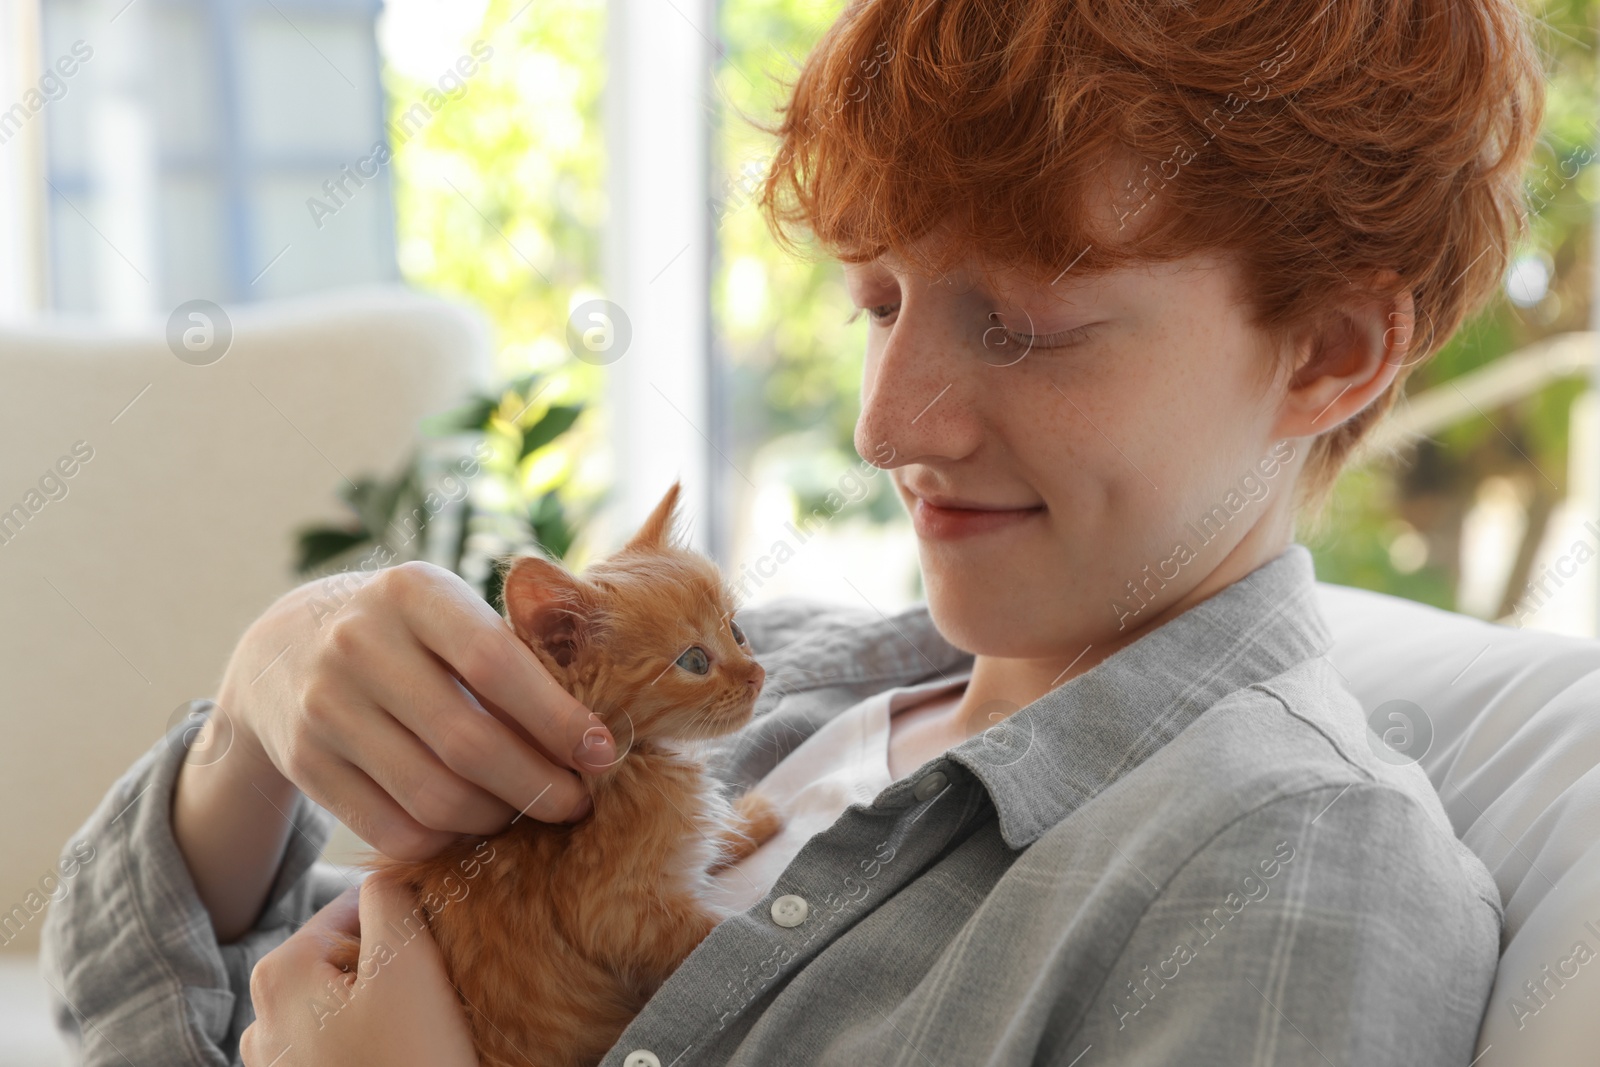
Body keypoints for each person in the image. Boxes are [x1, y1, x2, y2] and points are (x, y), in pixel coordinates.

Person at [42, 0, 1543, 1063]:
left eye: (1019, 326)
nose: (885, 427)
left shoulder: (1286, 872)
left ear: (1335, 352)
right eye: (876, 301)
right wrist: (257, 716)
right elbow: (151, 1010)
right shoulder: (794, 688)